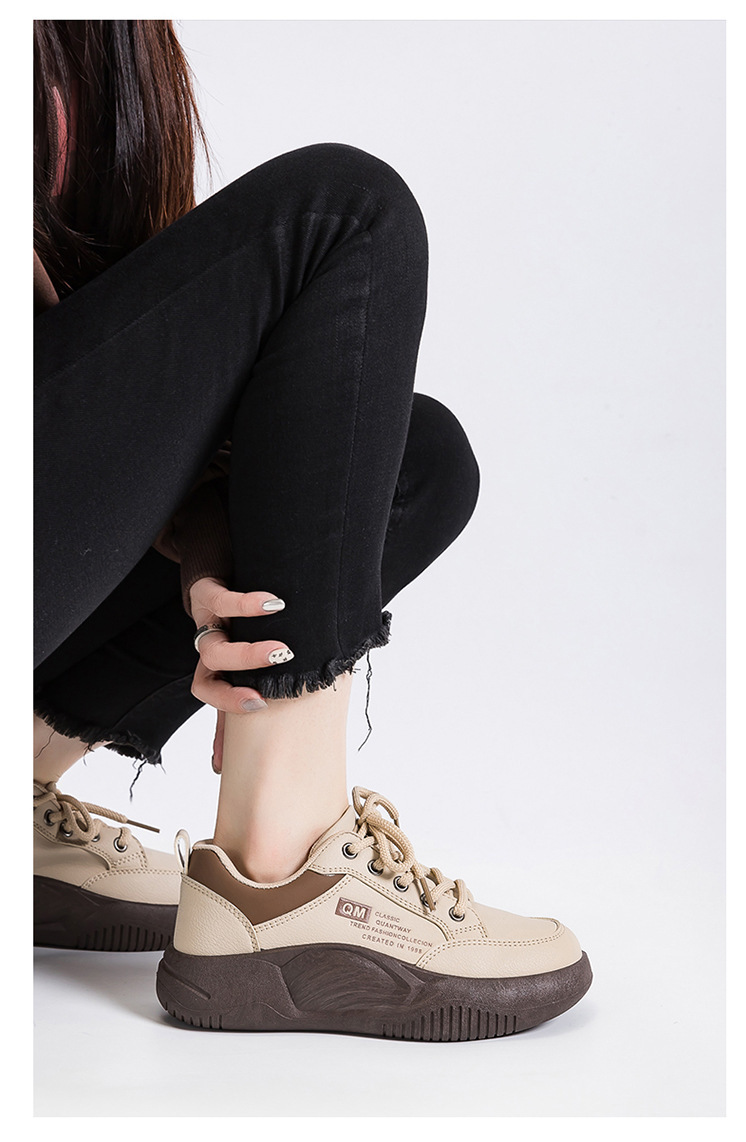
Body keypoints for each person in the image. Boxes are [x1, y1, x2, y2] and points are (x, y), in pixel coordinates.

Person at [34, 19, 591, 1039]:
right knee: (345, 211)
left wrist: (203, 539)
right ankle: (281, 869)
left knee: (410, 465)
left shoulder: (96, 46)